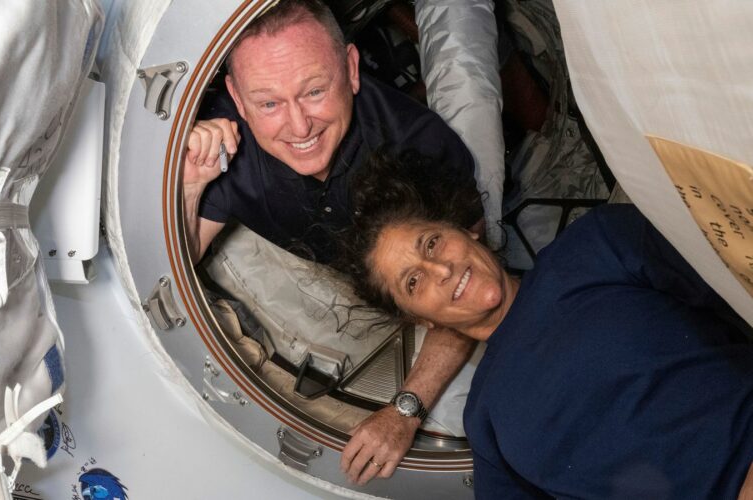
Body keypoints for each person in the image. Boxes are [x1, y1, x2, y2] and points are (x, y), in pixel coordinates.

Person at [182, 0, 485, 484]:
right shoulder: (225, 142)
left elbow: (473, 293)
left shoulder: (421, 149)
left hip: (418, 268)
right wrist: (193, 182)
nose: (299, 126)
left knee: (469, 87)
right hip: (331, 270)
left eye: (315, 90)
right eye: (268, 104)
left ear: (350, 68)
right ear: (237, 100)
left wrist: (404, 411)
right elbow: (181, 259)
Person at [338, 150, 753, 497]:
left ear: (467, 231)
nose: (439, 269)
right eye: (414, 281)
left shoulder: (595, 245)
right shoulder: (486, 422)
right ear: (421, 319)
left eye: (431, 243)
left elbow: (737, 283)